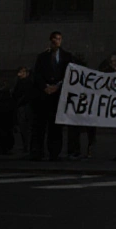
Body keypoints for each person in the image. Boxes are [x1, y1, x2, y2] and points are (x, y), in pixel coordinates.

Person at [30, 31, 74, 161]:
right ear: (51, 40)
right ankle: (38, 151)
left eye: (59, 39)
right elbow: (37, 74)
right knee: (40, 125)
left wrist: (58, 86)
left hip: (58, 94)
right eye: (55, 39)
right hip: (44, 95)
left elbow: (69, 74)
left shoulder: (67, 56)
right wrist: (45, 87)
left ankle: (54, 152)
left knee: (56, 127)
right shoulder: (42, 57)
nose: (57, 41)